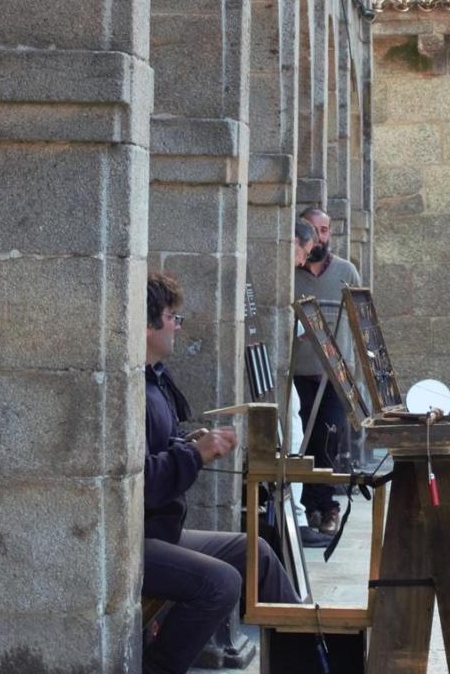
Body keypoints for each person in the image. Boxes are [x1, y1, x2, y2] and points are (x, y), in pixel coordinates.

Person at [141, 273, 298, 674]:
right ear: (147, 325)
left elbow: (160, 445)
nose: (178, 325)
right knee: (221, 582)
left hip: (164, 530)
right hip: (136, 539)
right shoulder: (133, 386)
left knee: (256, 552)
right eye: (172, 316)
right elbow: (138, 481)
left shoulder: (156, 381)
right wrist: (195, 453)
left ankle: (302, 656)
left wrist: (189, 443)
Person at [292, 207, 362, 534]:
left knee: (329, 440)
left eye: (326, 230)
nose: (322, 236)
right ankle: (309, 507)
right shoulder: (290, 273)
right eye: (315, 229)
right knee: (301, 442)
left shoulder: (347, 272)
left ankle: (329, 506)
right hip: (297, 375)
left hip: (334, 377)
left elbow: (360, 326)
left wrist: (356, 379)